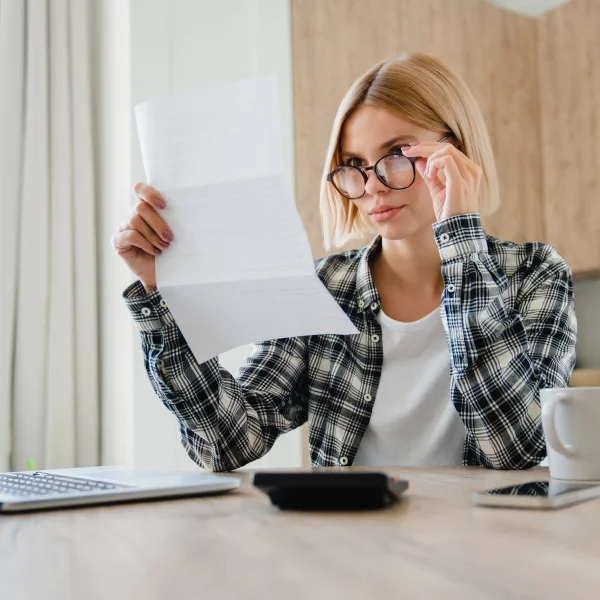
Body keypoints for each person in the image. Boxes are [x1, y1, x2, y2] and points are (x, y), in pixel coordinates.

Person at [112, 52, 577, 472]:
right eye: (354, 162)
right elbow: (229, 441)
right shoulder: (323, 288)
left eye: (397, 154)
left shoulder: (535, 275)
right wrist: (165, 292)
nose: (371, 184)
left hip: (485, 550)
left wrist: (460, 237)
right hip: (353, 548)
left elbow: (515, 448)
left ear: (455, 151)